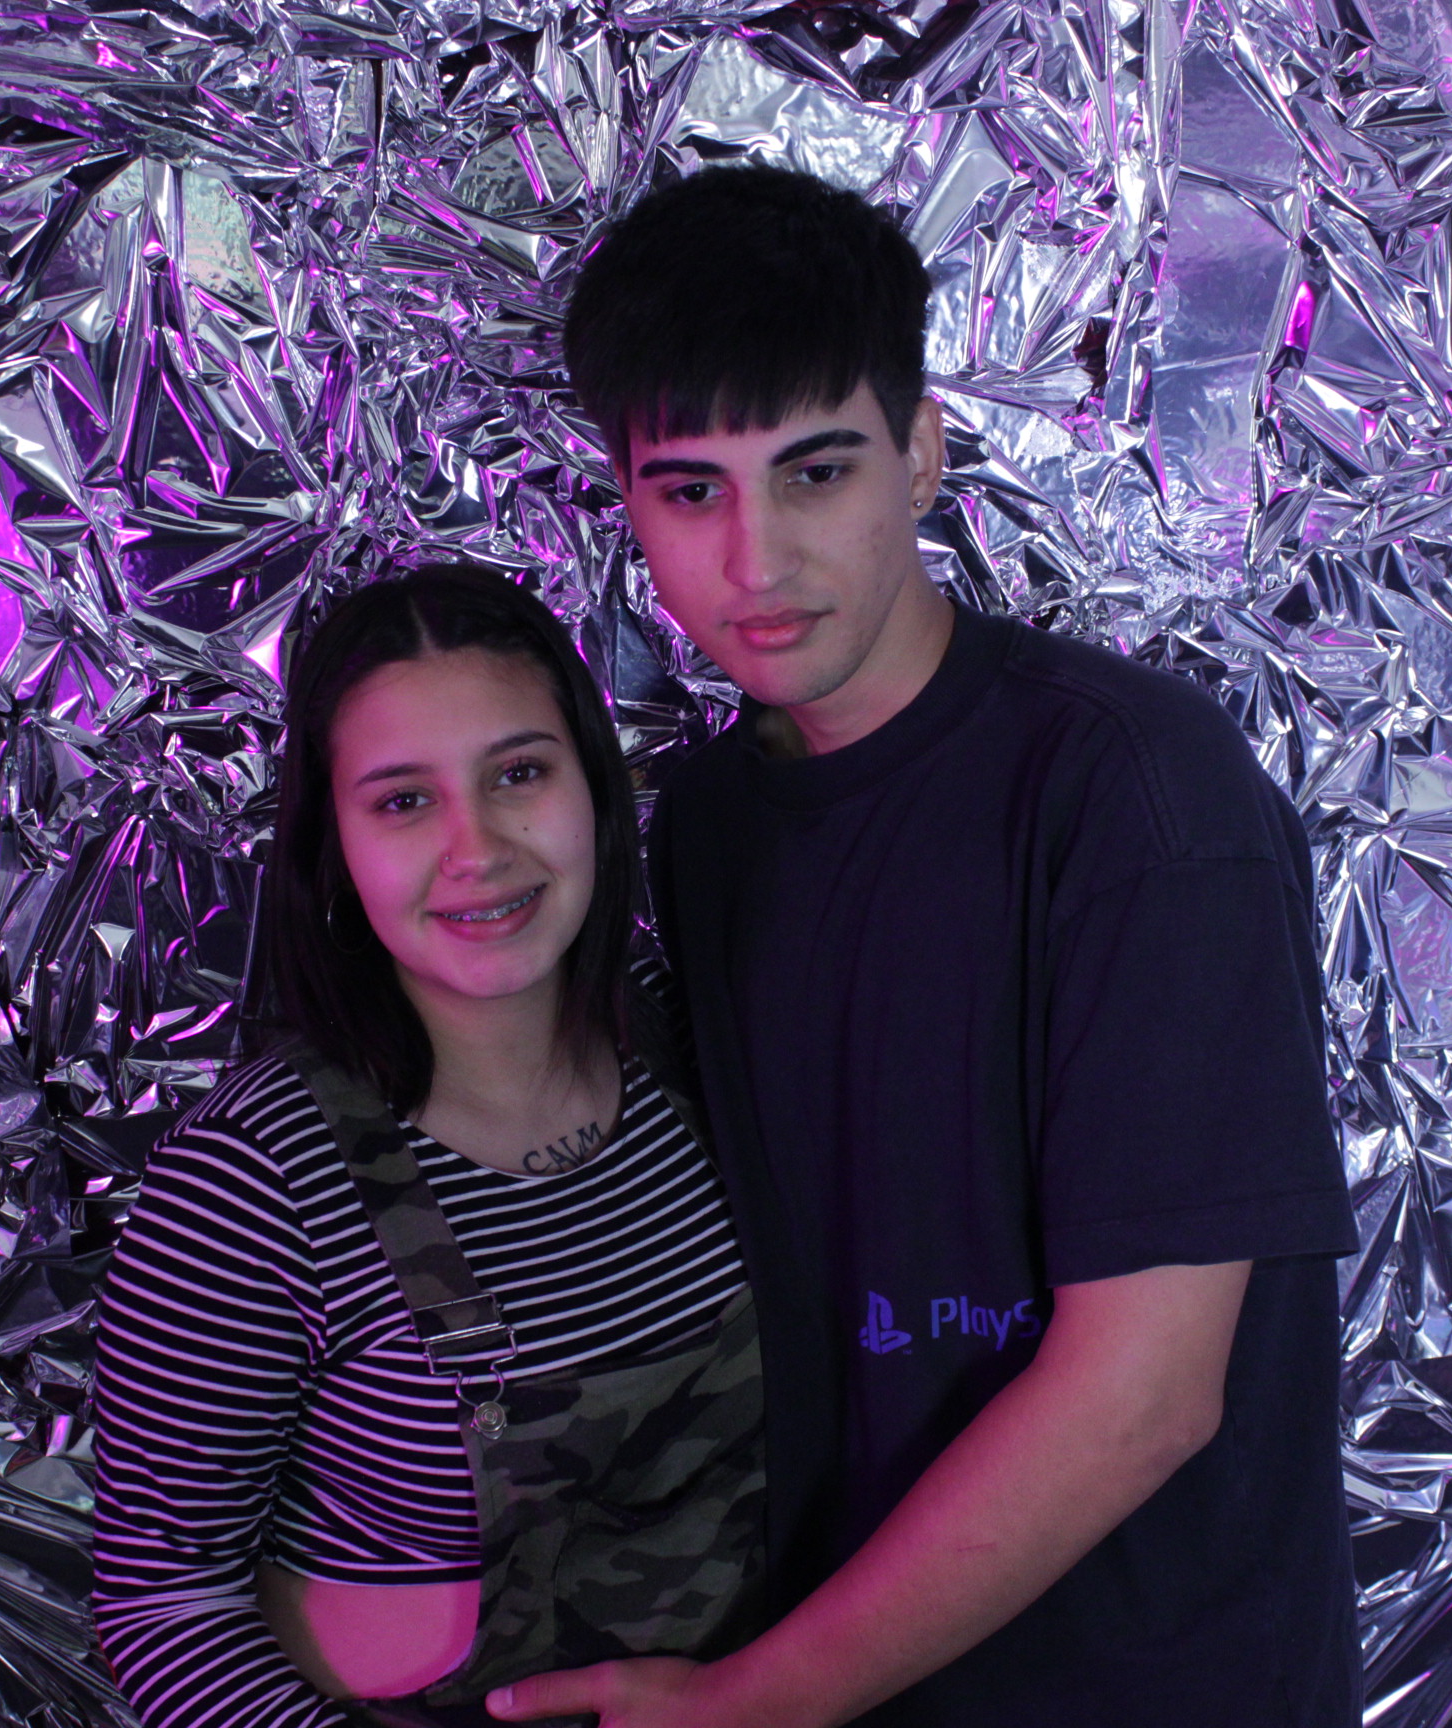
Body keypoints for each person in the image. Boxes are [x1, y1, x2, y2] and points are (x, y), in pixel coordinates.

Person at [488, 166, 1361, 1727]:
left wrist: (759, 1701)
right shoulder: (706, 830)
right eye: (691, 492)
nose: (756, 560)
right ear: (626, 501)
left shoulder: (1133, 794)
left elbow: (1147, 1394)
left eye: (814, 472)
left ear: (925, 452)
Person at [89, 566, 764, 1727]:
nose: (476, 847)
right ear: (334, 846)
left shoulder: (697, 1042)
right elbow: (163, 1604)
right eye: (403, 801)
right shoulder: (250, 1186)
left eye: (519, 773)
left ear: (595, 787)